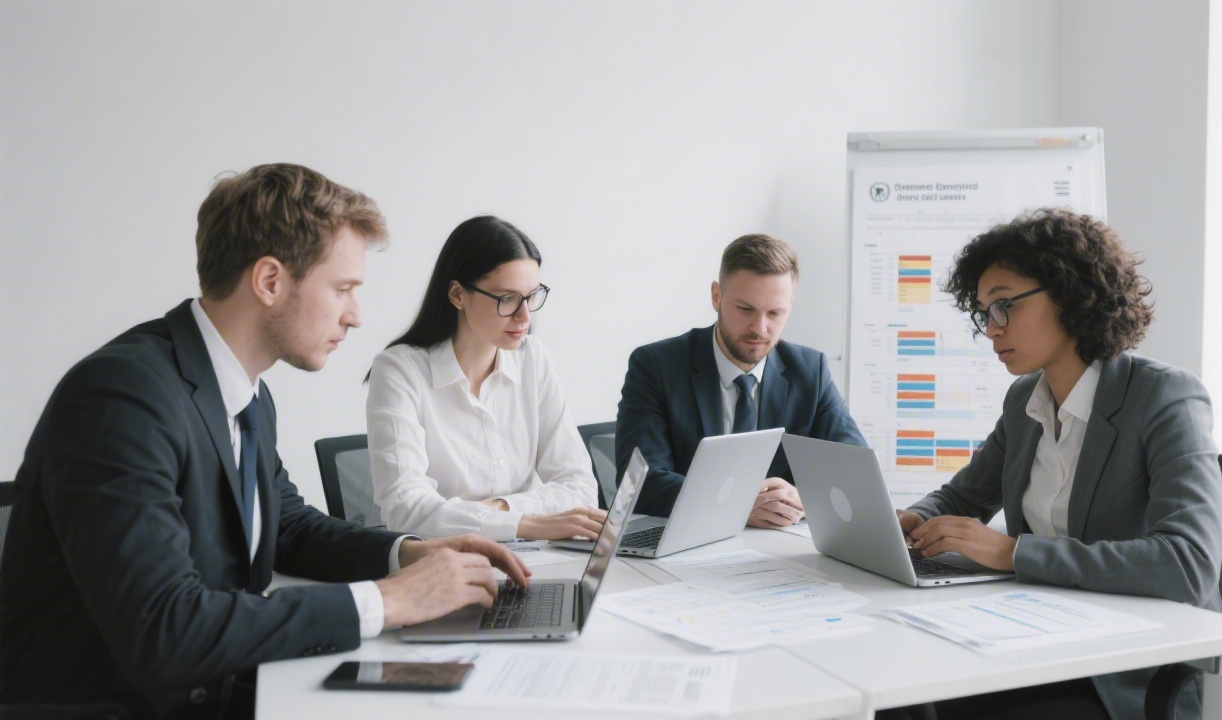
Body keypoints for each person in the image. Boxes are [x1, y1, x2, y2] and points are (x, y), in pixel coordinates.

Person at [0, 164, 530, 718]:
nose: (356, 316)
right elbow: (163, 629)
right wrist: (389, 600)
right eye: (343, 289)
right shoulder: (122, 397)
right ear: (270, 281)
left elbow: (291, 529)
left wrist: (409, 554)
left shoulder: (244, 391)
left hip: (227, 687)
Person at [896, 209, 1222, 720]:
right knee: (905, 694)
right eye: (984, 312)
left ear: (1071, 294)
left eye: (1004, 305)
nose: (992, 329)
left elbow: (1188, 565)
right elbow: (961, 498)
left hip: (1136, 668)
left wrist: (1015, 552)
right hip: (1043, 637)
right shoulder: (1025, 400)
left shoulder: (1164, 398)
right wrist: (914, 518)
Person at [366, 216, 603, 542]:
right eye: (506, 299)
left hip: (532, 559)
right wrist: (525, 523)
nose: (525, 316)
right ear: (457, 294)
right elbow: (405, 509)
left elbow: (580, 489)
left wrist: (501, 509)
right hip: (443, 564)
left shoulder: (532, 358)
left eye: (532, 296)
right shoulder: (399, 371)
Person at [616, 233, 868, 524]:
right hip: (687, 547)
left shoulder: (810, 371)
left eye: (775, 313)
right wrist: (738, 504)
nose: (759, 328)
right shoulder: (656, 366)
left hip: (777, 552)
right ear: (716, 296)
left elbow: (858, 478)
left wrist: (805, 498)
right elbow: (639, 484)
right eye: (745, 309)